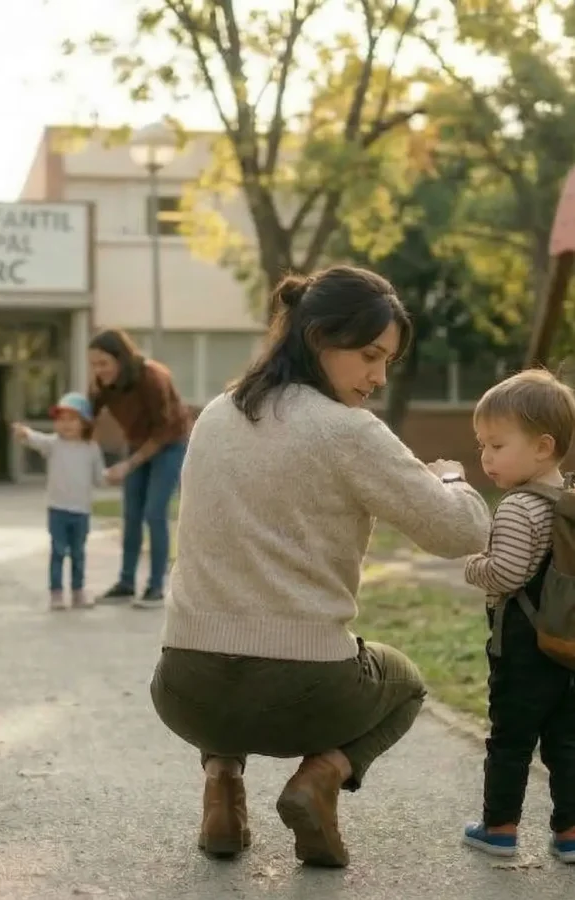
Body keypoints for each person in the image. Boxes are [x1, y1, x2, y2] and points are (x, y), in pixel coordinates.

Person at [149, 265, 491, 868]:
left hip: (183, 687)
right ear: (317, 338)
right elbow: (461, 530)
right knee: (405, 682)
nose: (378, 377)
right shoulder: (347, 431)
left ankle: (222, 786)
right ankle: (320, 777)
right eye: (368, 355)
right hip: (304, 692)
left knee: (226, 649)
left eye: (387, 361)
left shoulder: (216, 415)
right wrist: (451, 476)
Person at [463, 370, 575, 864]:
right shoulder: (569, 501)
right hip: (566, 643)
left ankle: (500, 828)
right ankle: (570, 834)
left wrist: (472, 564)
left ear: (543, 446)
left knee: (510, 738)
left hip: (524, 647)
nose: (485, 457)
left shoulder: (517, 508)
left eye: (497, 445)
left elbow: (506, 574)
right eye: (482, 445)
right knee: (566, 741)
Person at [88, 328, 188, 609]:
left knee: (154, 513)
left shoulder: (153, 377)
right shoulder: (102, 383)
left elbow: (163, 429)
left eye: (103, 363)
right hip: (137, 442)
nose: (98, 370)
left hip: (169, 443)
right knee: (130, 514)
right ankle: (126, 583)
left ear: (121, 358)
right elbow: (87, 420)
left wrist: (128, 465)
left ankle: (156, 586)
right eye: (93, 364)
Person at [12, 392, 105, 611]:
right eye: (61, 419)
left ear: (85, 423)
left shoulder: (91, 448)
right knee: (58, 551)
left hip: (81, 511)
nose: (66, 425)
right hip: (58, 509)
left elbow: (99, 478)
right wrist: (24, 433)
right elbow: (36, 439)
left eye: (72, 419)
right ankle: (56, 592)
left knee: (78, 553)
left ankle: (78, 591)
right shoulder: (53, 444)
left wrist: (115, 474)